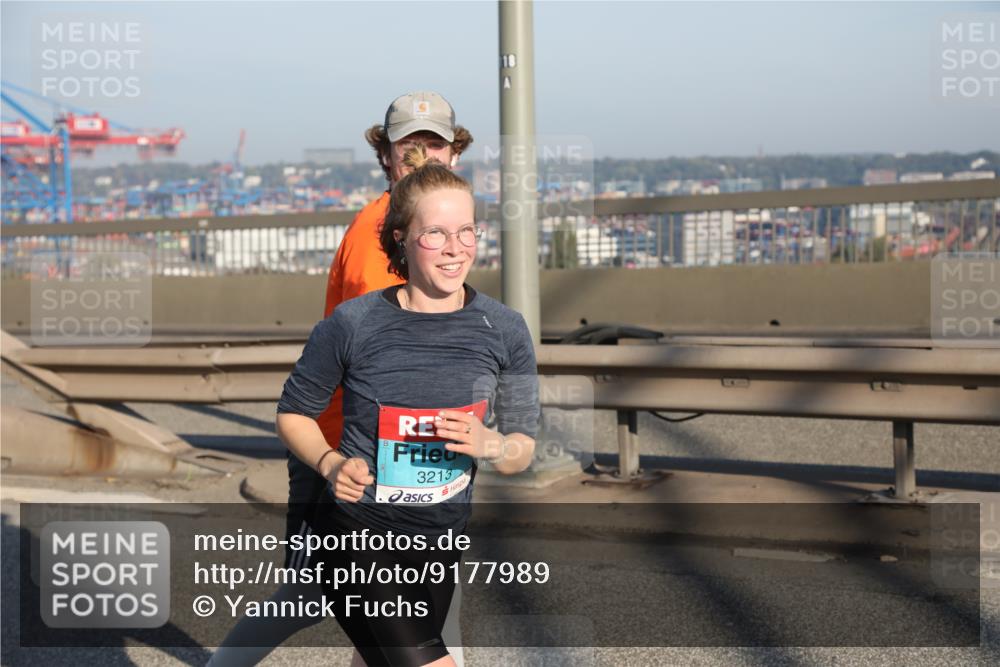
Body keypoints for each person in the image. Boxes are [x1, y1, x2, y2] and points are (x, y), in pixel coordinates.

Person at [207, 92, 474, 667]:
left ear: (454, 153)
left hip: (404, 451)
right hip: (350, 450)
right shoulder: (382, 237)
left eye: (436, 143)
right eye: (410, 145)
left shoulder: (428, 226)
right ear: (387, 156)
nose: (424, 155)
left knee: (397, 613)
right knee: (316, 594)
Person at [276, 147, 539, 666]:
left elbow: (523, 449)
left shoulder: (505, 329)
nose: (454, 248)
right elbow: (293, 412)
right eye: (435, 233)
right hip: (356, 534)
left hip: (439, 541)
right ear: (401, 238)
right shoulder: (353, 324)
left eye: (466, 231)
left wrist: (493, 444)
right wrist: (330, 463)